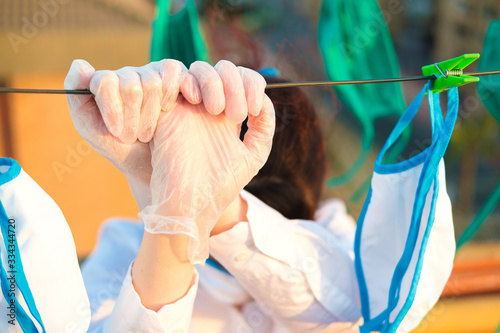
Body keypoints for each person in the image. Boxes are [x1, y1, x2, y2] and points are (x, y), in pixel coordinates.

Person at [63, 58, 453, 332]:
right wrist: (179, 211)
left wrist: (209, 206)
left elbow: (355, 316)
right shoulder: (122, 243)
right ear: (318, 172)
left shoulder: (336, 238)